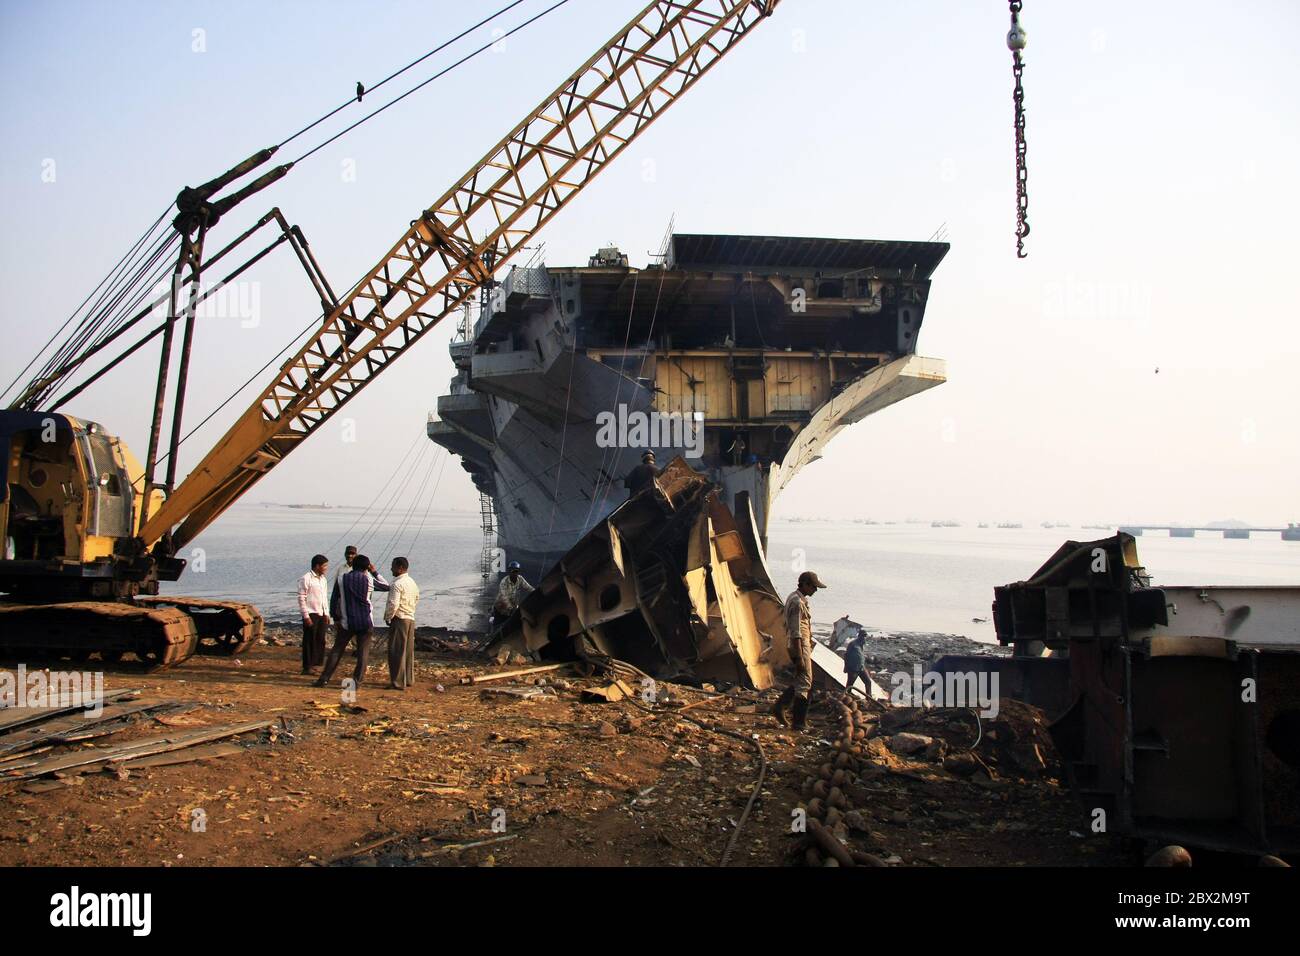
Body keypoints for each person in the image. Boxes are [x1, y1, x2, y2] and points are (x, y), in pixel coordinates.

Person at [314, 553, 390, 690]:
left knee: (337, 650)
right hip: (365, 621)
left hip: (347, 621)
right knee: (363, 653)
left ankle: (324, 679)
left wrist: (334, 616)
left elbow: (335, 598)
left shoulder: (342, 579)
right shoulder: (369, 580)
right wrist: (375, 572)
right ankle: (356, 682)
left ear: (353, 565)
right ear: (366, 568)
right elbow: (386, 586)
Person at [771, 570, 827, 731]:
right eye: (814, 587)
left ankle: (780, 707)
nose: (815, 590)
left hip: (800, 644)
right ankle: (799, 723)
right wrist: (799, 657)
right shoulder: (797, 602)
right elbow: (796, 631)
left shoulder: (797, 599)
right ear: (805, 584)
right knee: (805, 681)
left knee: (800, 679)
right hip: (799, 645)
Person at [383, 556, 421, 690]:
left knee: (396, 651)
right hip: (410, 618)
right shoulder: (412, 582)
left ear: (399, 568)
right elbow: (417, 598)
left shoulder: (396, 584)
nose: (391, 569)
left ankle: (398, 682)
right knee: (408, 651)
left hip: (399, 618)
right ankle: (409, 679)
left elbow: (393, 604)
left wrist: (388, 617)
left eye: (393, 566)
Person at [296, 554, 330, 675]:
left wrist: (327, 613)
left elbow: (324, 598)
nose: (326, 568)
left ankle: (317, 664)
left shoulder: (323, 580)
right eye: (324, 566)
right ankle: (307, 666)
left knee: (320, 639)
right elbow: (301, 598)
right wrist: (306, 616)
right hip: (311, 613)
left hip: (321, 613)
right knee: (310, 640)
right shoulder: (306, 578)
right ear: (317, 566)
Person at [843, 631, 872, 697]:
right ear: (859, 636)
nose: (864, 638)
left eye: (865, 636)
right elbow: (846, 655)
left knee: (868, 682)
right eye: (863, 636)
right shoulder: (852, 644)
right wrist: (846, 667)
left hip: (861, 668)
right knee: (850, 685)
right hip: (853, 668)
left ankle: (869, 698)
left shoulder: (862, 644)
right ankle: (847, 697)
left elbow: (861, 655)